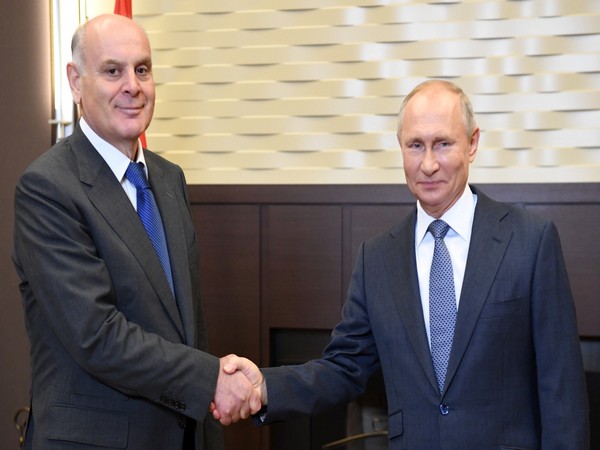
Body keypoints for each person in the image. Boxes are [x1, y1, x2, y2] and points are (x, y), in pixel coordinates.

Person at [216, 79, 590, 449]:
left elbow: (562, 391)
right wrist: (264, 386)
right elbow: (343, 368)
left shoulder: (529, 241)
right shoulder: (377, 258)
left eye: (443, 143)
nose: (428, 164)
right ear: (401, 148)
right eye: (415, 145)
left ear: (472, 143)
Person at [12, 14, 258, 450]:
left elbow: (189, 327)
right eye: (113, 71)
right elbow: (97, 334)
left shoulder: (168, 179)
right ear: (75, 81)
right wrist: (211, 381)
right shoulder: (47, 187)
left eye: (142, 69)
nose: (133, 85)